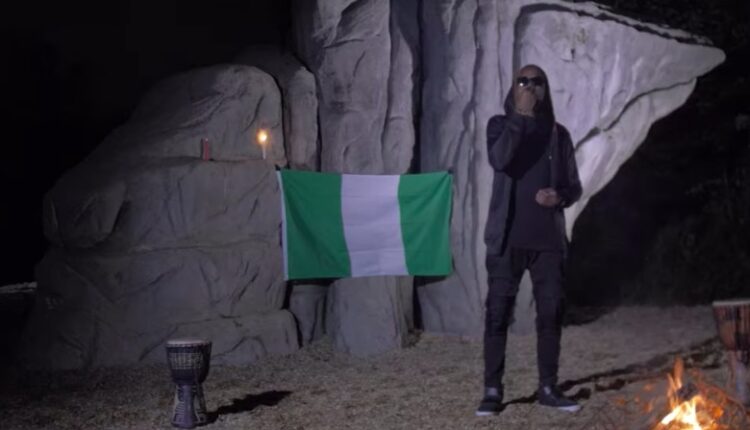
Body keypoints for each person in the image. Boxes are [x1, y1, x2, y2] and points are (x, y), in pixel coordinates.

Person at [476, 64, 582, 416]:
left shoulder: (558, 135)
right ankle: (492, 391)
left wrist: (559, 197)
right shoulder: (499, 125)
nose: (530, 86)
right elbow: (499, 159)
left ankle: (548, 388)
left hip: (548, 243)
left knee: (550, 314)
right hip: (507, 240)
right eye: (523, 81)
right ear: (514, 87)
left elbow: (574, 186)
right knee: (497, 314)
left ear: (545, 89)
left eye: (537, 82)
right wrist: (520, 118)